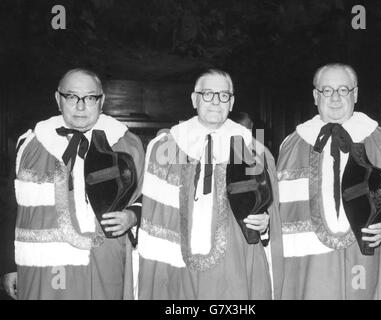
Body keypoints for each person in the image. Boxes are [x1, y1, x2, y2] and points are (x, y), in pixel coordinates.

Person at [134, 69, 283, 299]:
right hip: (177, 265)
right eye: (207, 94)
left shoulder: (253, 150)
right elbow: (153, 216)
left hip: (235, 264)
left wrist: (265, 225)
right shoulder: (165, 147)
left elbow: (271, 216)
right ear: (194, 99)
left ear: (232, 102)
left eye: (223, 95)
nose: (216, 101)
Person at [276, 63, 381, 299]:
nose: (335, 98)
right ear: (315, 96)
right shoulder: (290, 145)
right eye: (327, 90)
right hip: (307, 271)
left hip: (367, 262)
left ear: (355, 94)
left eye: (343, 90)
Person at [1, 68, 144, 299]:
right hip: (44, 267)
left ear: (102, 101)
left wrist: (132, 216)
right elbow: (11, 205)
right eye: (71, 96)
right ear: (58, 99)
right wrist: (8, 263)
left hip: (104, 262)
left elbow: (148, 198)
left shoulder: (127, 144)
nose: (80, 106)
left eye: (89, 98)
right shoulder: (30, 145)